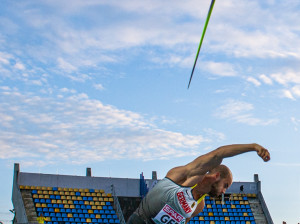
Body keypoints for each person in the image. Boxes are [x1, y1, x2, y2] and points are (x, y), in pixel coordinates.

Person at [127, 143, 270, 224]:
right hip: (140, 220)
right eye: (225, 185)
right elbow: (218, 154)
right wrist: (253, 147)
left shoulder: (199, 206)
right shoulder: (186, 176)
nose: (224, 192)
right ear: (217, 176)